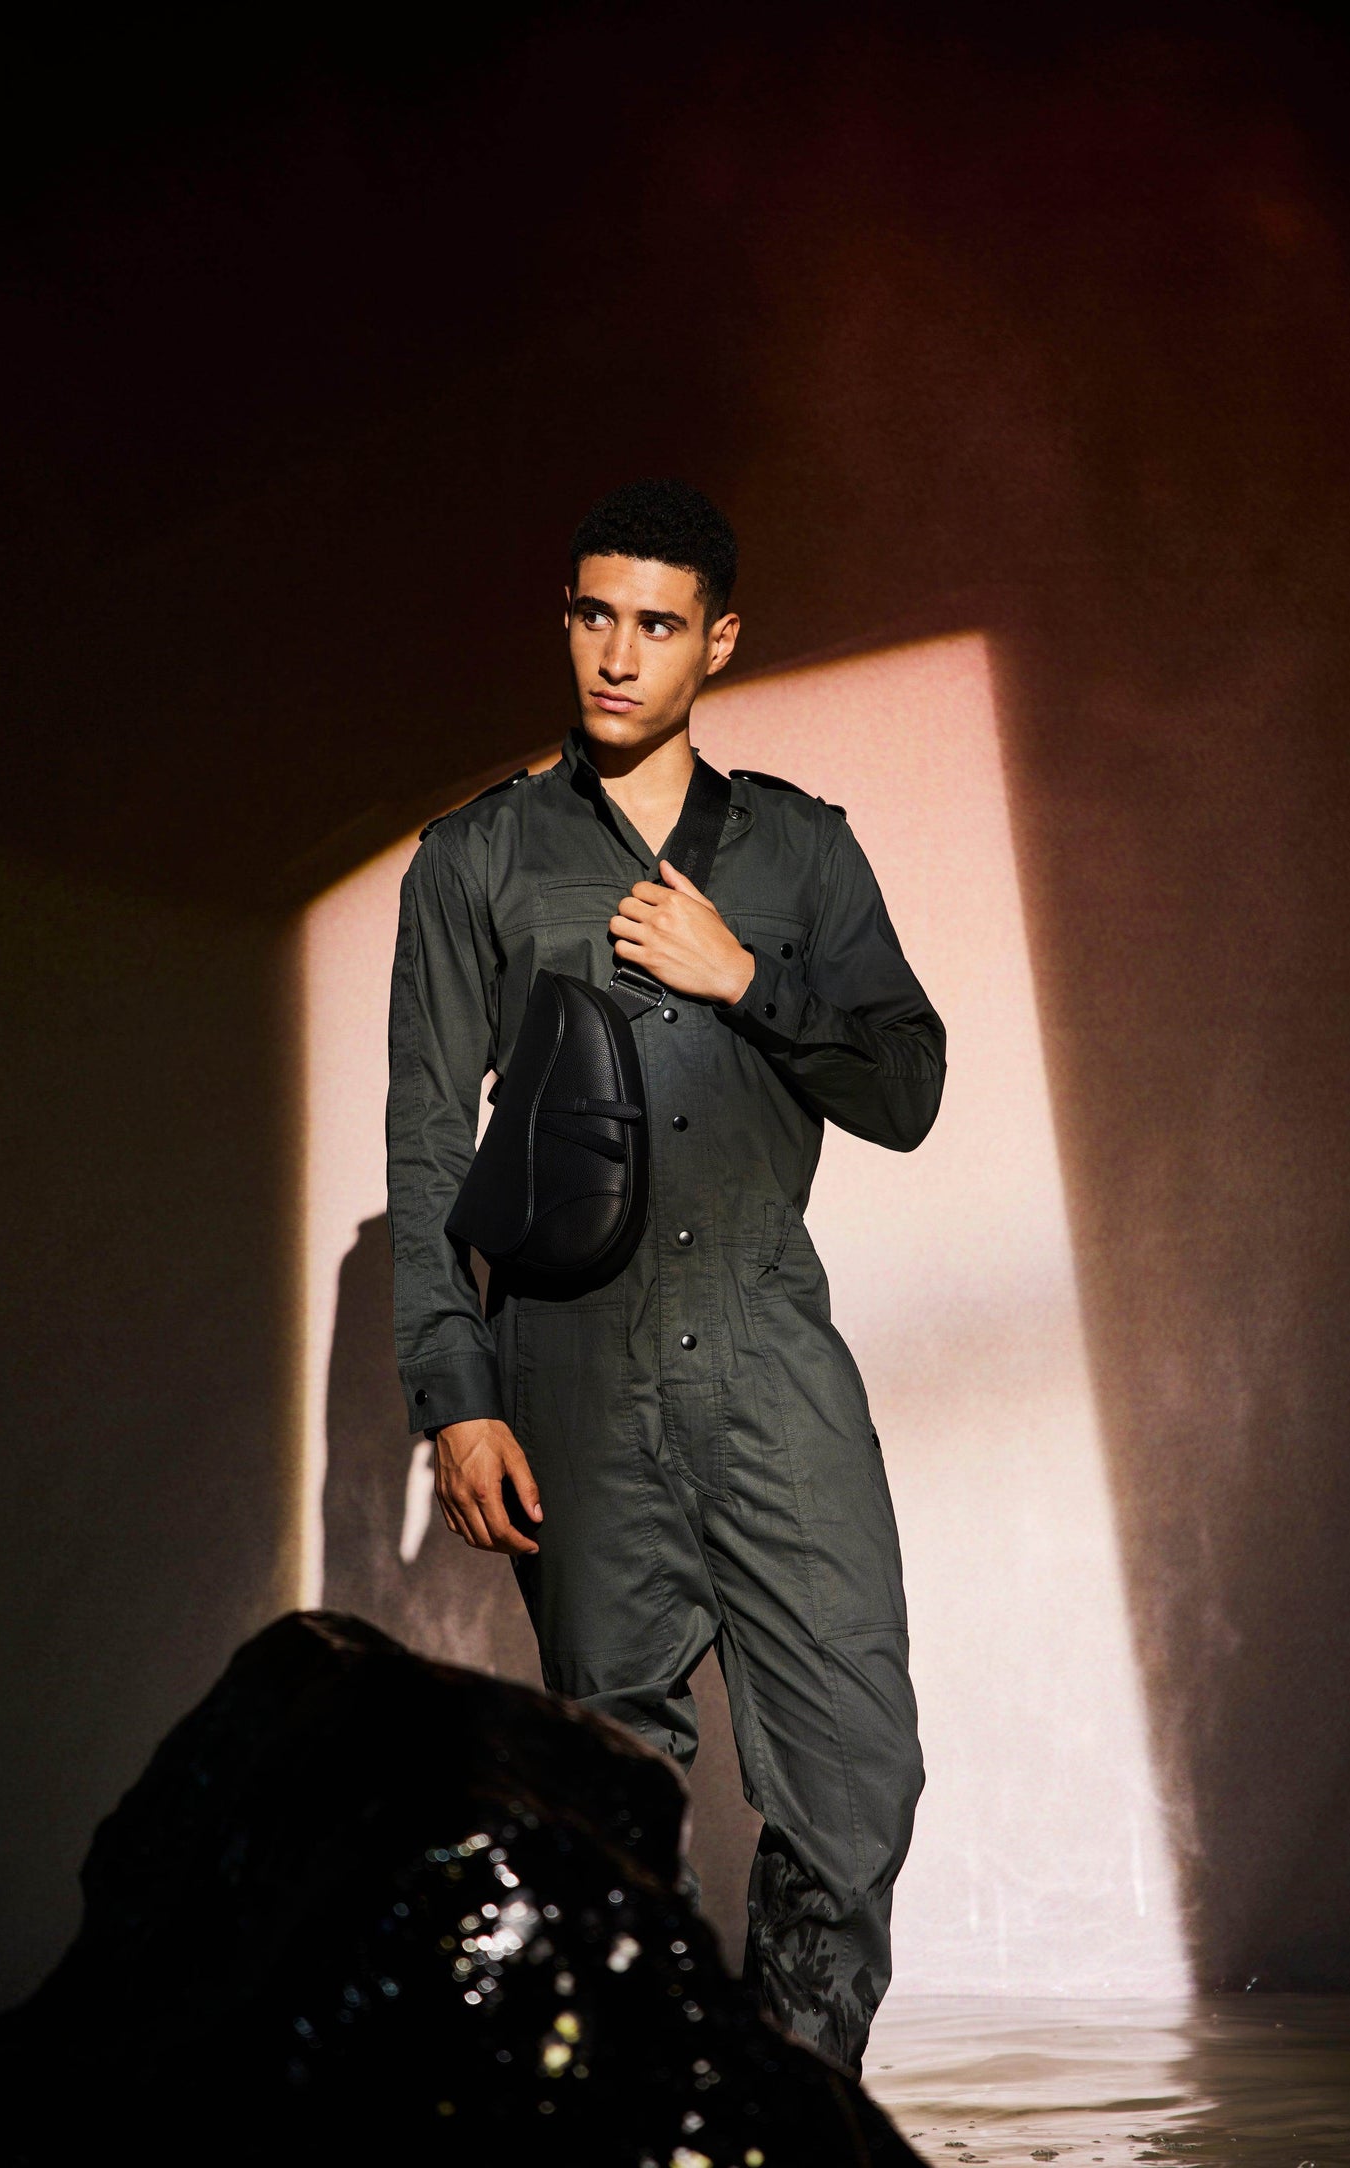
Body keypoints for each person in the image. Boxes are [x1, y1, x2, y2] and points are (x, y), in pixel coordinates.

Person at [386, 477, 946, 2072]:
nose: (617, 655)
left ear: (718, 641)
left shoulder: (798, 850)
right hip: (573, 1367)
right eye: (592, 615)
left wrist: (745, 977)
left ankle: (788, 2104)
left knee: (855, 1773)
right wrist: (455, 1399)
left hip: (767, 1354)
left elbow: (906, 1091)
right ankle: (643, 2118)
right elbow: (425, 1147)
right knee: (604, 1793)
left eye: (654, 623)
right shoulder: (478, 857)